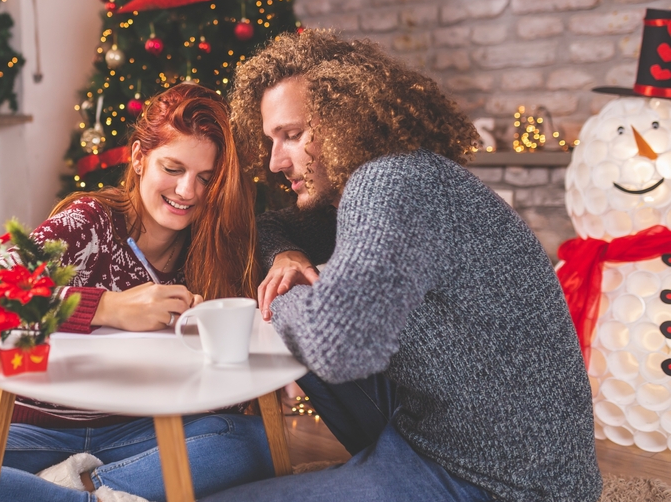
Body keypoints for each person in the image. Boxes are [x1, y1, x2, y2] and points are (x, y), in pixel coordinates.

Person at [204, 29, 601, 502]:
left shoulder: (389, 184)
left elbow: (338, 348)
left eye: (291, 135)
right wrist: (287, 259)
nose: (274, 162)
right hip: (445, 432)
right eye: (273, 139)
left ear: (345, 117)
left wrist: (286, 293)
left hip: (505, 481)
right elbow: (270, 228)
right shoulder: (373, 182)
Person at [0, 83, 272, 502]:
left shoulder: (210, 250)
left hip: (143, 431)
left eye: (205, 178)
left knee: (255, 441)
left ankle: (79, 490)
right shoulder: (88, 222)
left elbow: (230, 396)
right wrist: (106, 306)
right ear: (139, 158)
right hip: (46, 432)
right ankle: (109, 493)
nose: (187, 192)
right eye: (174, 169)